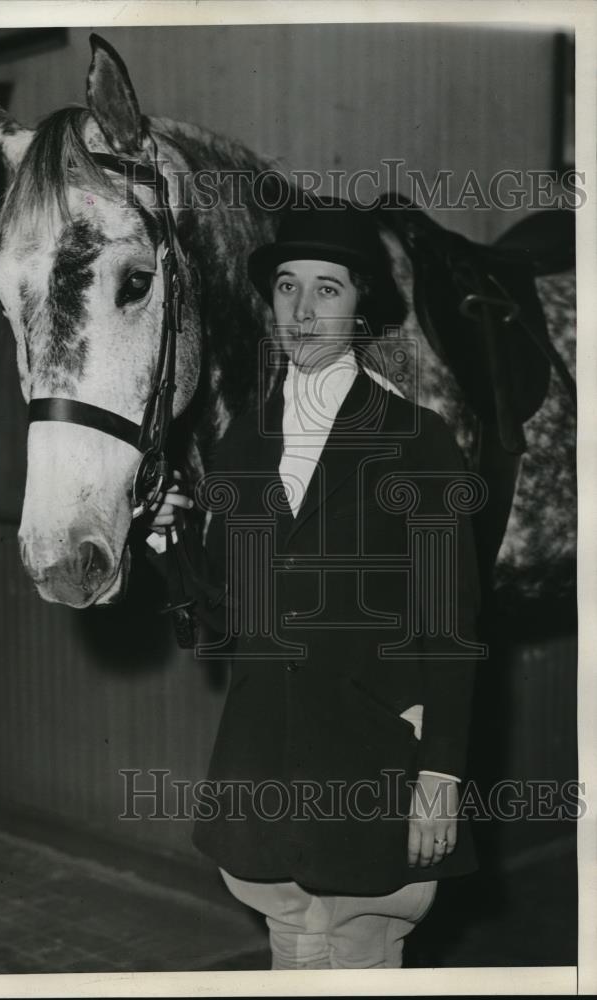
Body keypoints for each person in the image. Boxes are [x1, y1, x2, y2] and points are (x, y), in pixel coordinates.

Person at [150, 196, 483, 970]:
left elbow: (451, 623)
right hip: (263, 763)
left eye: (326, 289)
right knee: (294, 949)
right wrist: (170, 545)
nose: (301, 309)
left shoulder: (417, 441)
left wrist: (438, 772)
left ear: (362, 305)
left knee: (354, 954)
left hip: (369, 762)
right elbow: (228, 622)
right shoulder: (244, 443)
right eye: (286, 286)